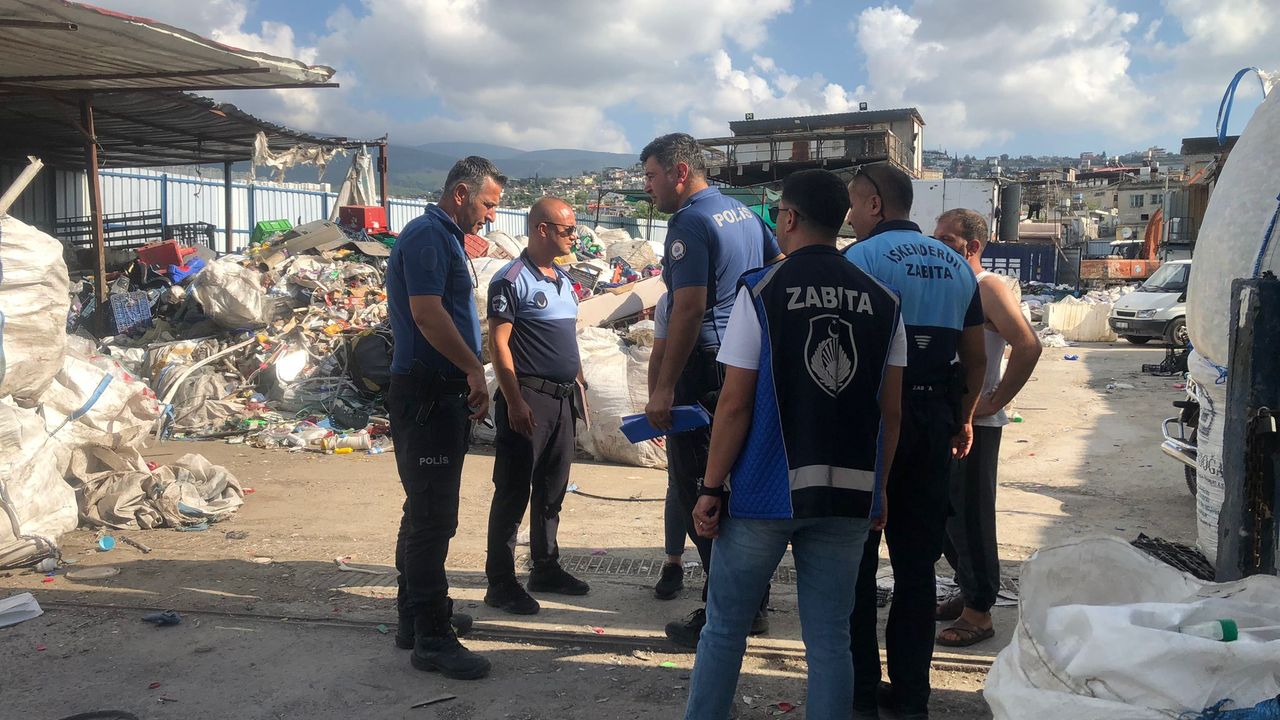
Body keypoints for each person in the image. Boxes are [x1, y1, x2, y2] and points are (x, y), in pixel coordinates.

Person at [683, 169, 906, 720]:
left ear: (788, 218)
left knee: (726, 629)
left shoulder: (761, 291)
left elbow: (733, 404)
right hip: (847, 497)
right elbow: (890, 411)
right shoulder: (884, 300)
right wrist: (878, 490)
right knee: (829, 639)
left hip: (764, 492)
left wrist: (711, 486)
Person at [843, 163, 987, 720]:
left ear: (875, 205)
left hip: (873, 424)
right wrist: (964, 417)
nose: (851, 217)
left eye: (855, 205)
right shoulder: (956, 265)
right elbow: (974, 360)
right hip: (933, 421)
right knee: (916, 568)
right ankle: (911, 699)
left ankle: (859, 695)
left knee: (856, 564)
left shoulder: (860, 261)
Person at [640, 132, 782, 646]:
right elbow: (773, 271)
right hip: (746, 363)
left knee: (699, 487)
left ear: (680, 172)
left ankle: (727, 609)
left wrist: (663, 389)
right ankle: (752, 602)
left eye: (652, 176)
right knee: (740, 486)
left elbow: (690, 307)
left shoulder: (690, 222)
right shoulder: (742, 214)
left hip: (704, 368)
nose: (647, 187)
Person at [385, 156, 505, 681]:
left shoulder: (442, 236)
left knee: (424, 508)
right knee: (435, 517)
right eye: (488, 204)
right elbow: (427, 313)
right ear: (461, 193)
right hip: (427, 391)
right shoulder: (428, 235)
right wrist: (473, 371)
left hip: (435, 389)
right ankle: (432, 636)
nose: (491, 217)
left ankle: (415, 616)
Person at [931, 208, 1042, 647]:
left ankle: (979, 613)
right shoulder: (948, 285)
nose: (937, 245)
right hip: (947, 421)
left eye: (947, 240)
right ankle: (967, 588)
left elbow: (1028, 345)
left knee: (970, 517)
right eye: (935, 237)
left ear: (972, 247)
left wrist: (994, 401)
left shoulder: (987, 287)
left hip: (976, 424)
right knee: (943, 515)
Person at [483, 198, 591, 614]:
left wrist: (578, 384)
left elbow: (568, 341)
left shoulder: (564, 281)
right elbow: (499, 345)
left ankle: (545, 566)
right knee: (512, 492)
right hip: (528, 400)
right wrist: (513, 401)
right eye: (567, 230)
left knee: (551, 490)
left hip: (562, 401)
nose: (574, 236)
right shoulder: (511, 280)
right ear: (541, 229)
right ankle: (501, 582)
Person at [649, 292, 689, 600]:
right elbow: (659, 353)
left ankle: (724, 568)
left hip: (728, 393)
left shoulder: (736, 290)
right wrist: (655, 400)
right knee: (678, 483)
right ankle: (673, 562)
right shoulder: (670, 301)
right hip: (683, 398)